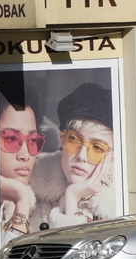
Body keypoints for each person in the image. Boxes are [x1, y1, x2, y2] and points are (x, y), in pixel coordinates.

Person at [30, 83, 116, 230]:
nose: (82, 156)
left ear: (111, 157)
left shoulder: (118, 203)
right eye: (73, 140)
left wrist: (72, 198)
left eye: (97, 147)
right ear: (62, 140)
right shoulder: (33, 189)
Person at [0, 83, 45, 246]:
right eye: (11, 139)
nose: (25, 155)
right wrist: (22, 198)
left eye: (32, 141)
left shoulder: (41, 205)